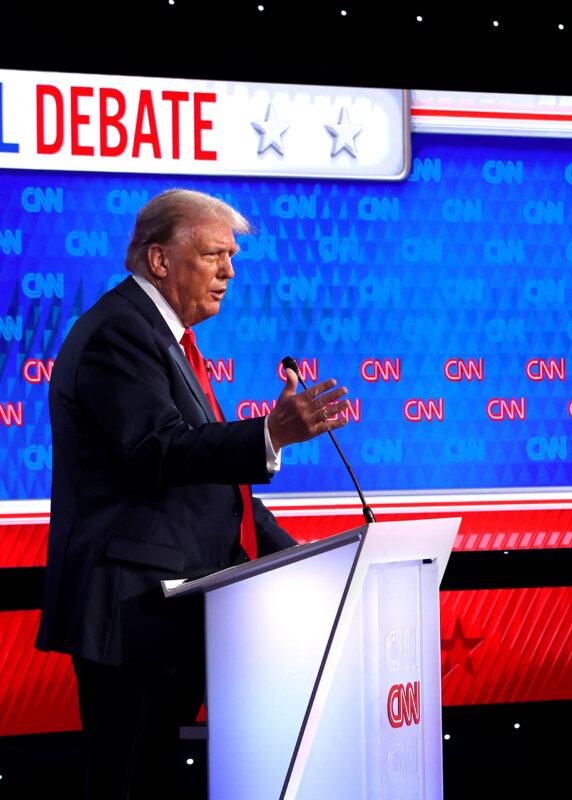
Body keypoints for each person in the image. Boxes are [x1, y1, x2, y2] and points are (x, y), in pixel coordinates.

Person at [35, 189, 351, 798]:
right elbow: (158, 449)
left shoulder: (164, 337)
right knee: (126, 784)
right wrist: (269, 432)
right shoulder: (118, 333)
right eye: (214, 255)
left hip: (168, 610)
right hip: (131, 610)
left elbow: (212, 485)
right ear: (159, 260)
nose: (230, 271)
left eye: (231, 256)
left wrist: (303, 554)